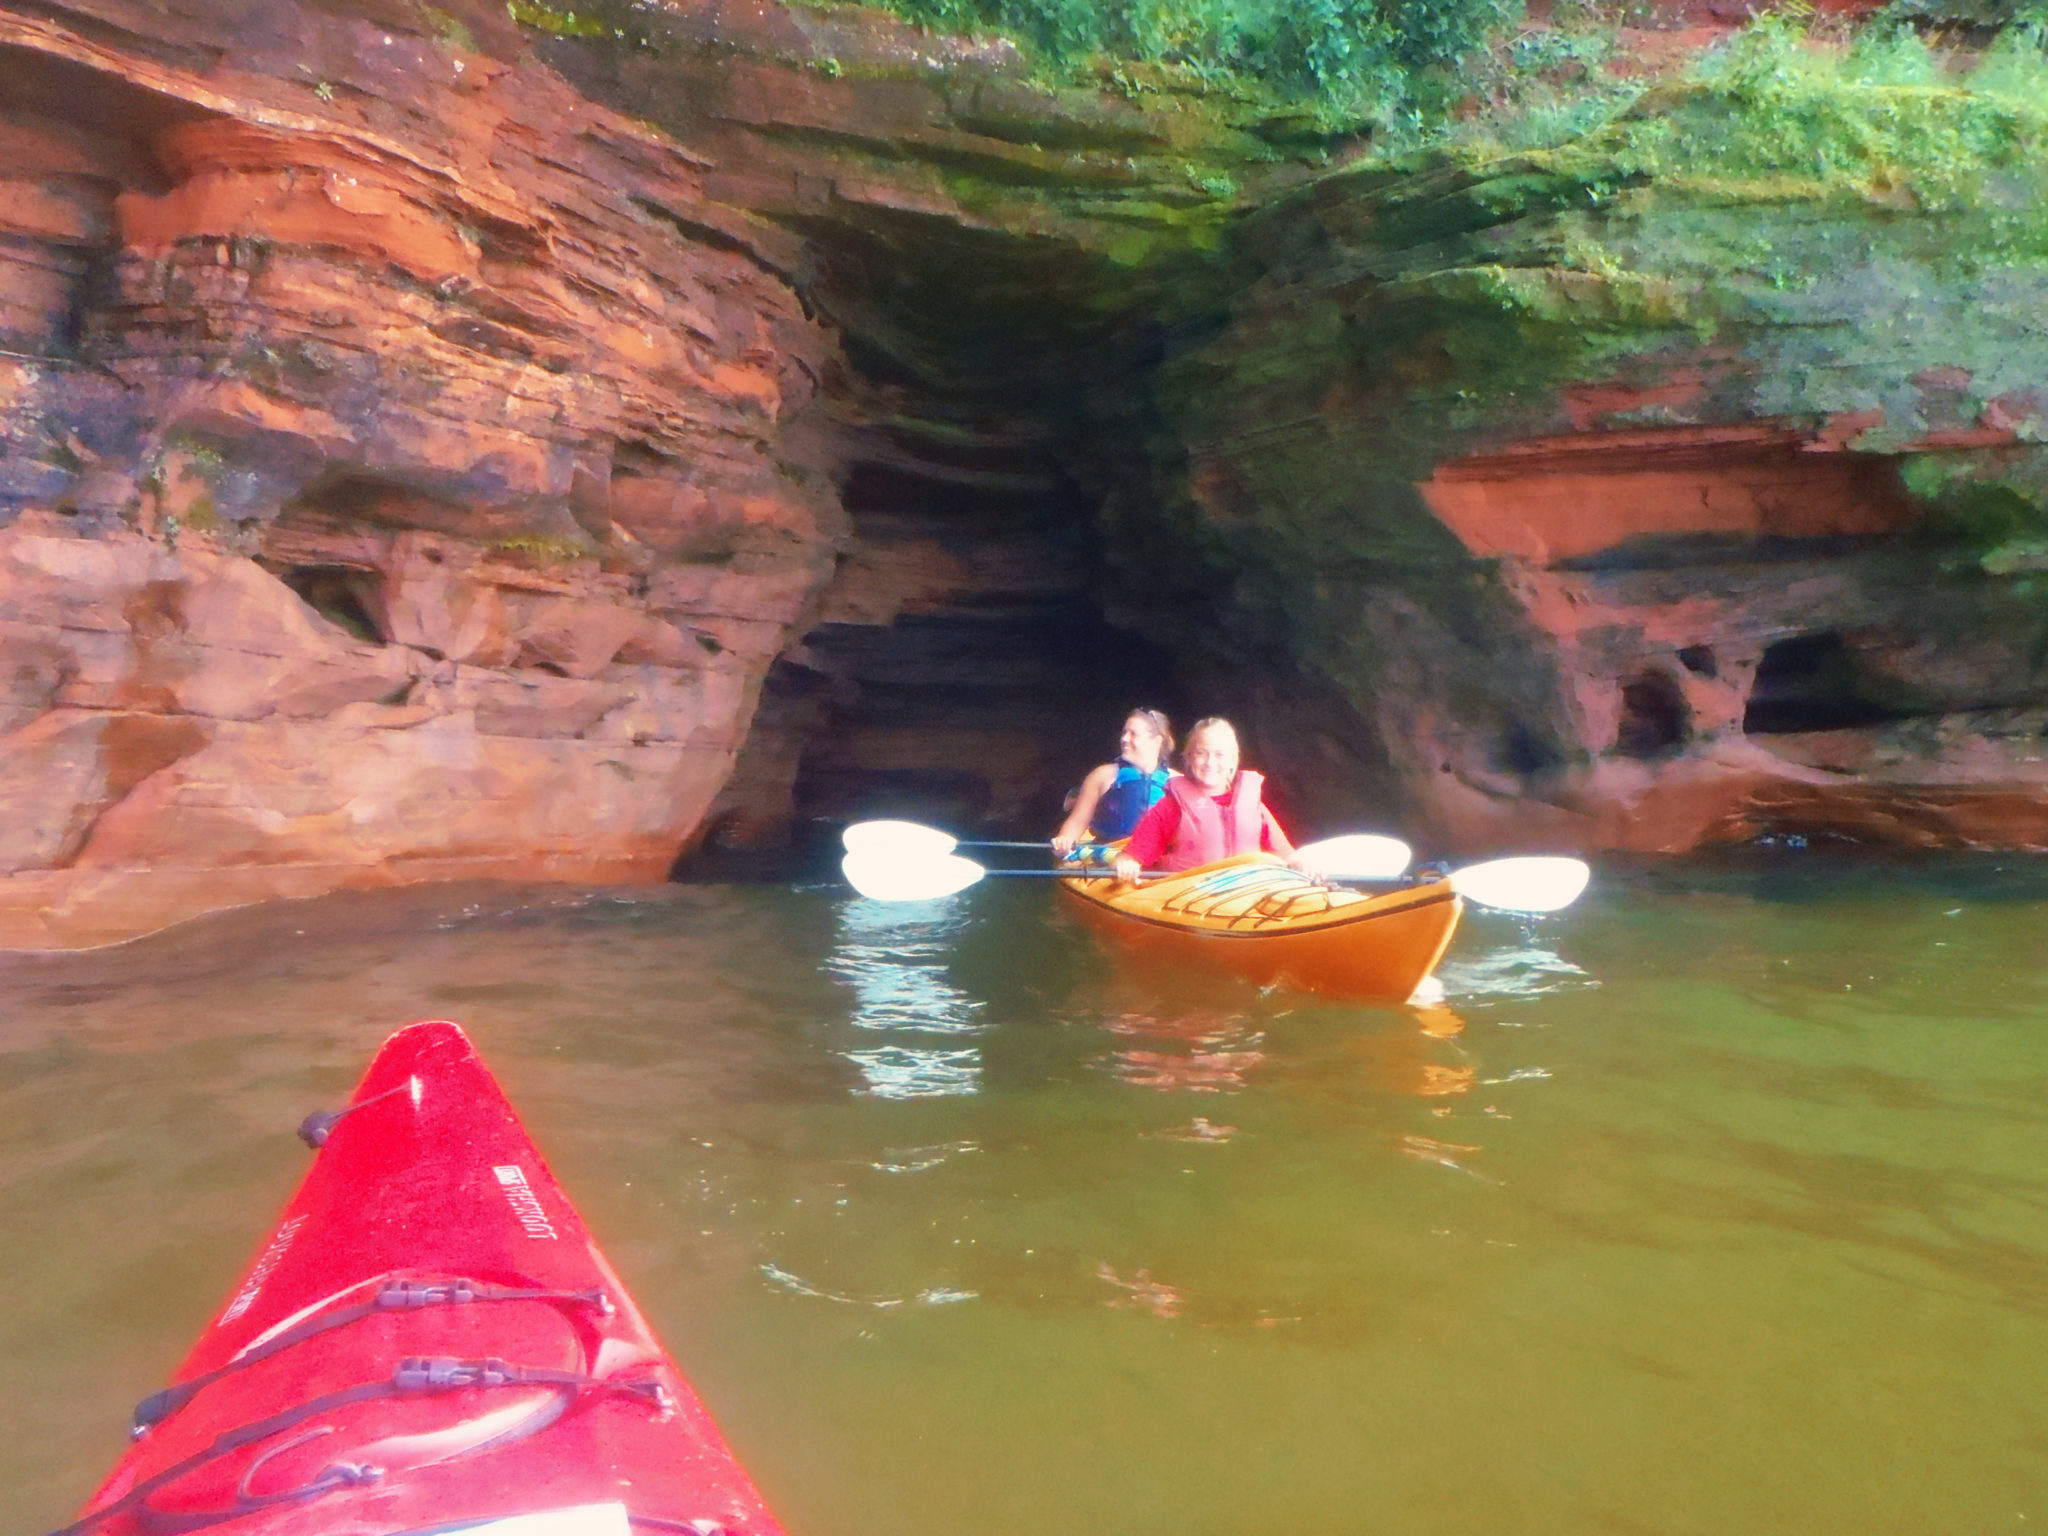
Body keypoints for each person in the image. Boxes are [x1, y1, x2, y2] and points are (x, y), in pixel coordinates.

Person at [1114, 717, 1295, 881]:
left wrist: (1305, 864)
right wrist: (1126, 865)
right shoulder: (1171, 807)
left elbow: (1288, 856)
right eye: (1201, 753)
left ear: (1233, 760)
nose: (1210, 762)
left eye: (1219, 755)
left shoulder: (1254, 807)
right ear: (1189, 758)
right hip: (1188, 898)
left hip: (1245, 895)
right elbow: (1129, 857)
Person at [1051, 709, 1177, 854]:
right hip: (1108, 856)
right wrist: (1064, 841)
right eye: (1124, 732)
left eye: (1133, 734)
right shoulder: (1102, 776)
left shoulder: (1177, 782)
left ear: (1157, 741)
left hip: (1155, 859)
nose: (1124, 739)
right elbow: (1077, 821)